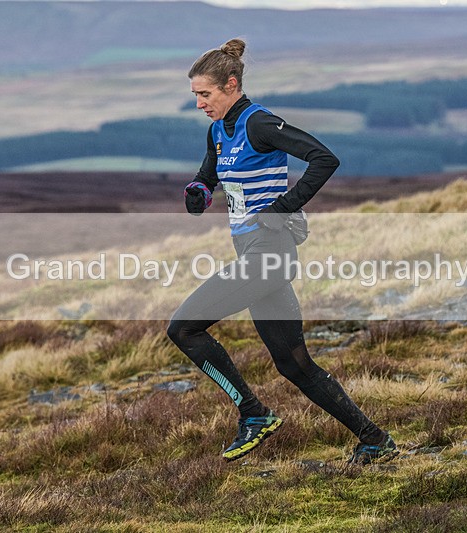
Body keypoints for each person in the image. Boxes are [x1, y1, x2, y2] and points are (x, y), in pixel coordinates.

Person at [166, 38, 396, 465]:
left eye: (205, 94)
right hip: (253, 253)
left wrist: (285, 204)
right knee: (295, 365)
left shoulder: (260, 123)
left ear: (231, 85)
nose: (199, 103)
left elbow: (324, 159)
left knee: (182, 329)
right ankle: (374, 439)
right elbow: (207, 177)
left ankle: (253, 413)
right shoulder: (218, 130)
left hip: (268, 254)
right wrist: (198, 192)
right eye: (195, 95)